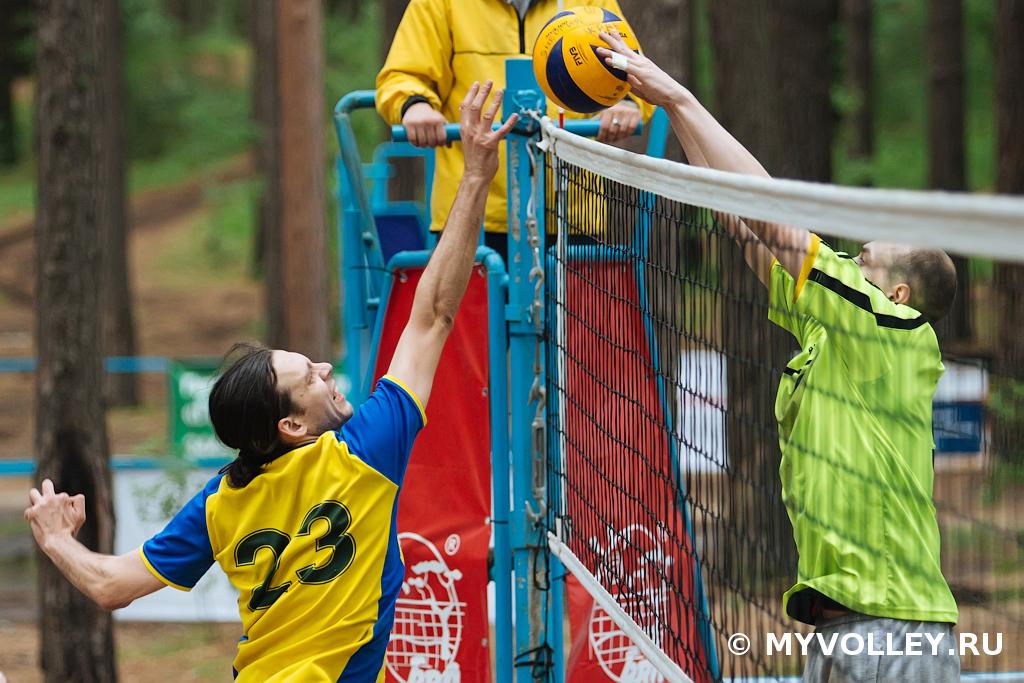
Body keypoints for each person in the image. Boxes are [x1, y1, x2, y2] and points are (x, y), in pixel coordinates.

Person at [23, 83, 517, 682]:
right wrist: (475, 177)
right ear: (292, 425)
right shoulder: (364, 453)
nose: (326, 369)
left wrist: (57, 540)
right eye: (310, 376)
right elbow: (433, 314)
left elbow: (110, 586)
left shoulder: (221, 501)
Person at [596, 32, 960, 682]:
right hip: (840, 624)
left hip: (896, 628)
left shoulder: (894, 330)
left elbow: (775, 219)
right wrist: (677, 113)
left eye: (866, 258)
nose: (850, 257)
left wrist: (679, 95)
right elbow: (744, 223)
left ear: (898, 294)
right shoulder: (833, 335)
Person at [376, 0, 655, 261]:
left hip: (570, 212)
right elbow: (402, 75)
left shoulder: (589, 3)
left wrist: (626, 103)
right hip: (472, 212)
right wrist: (415, 104)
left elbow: (633, 66)